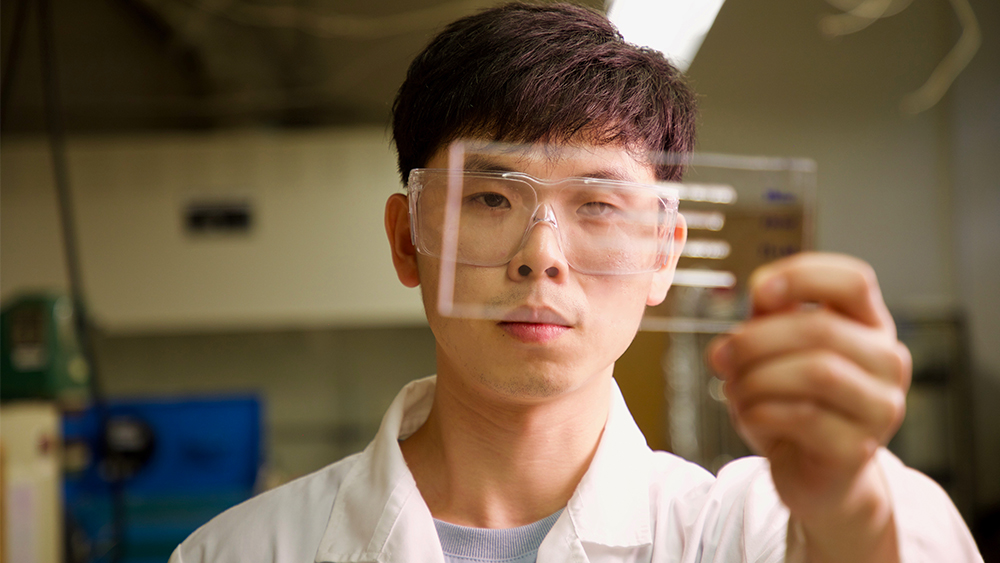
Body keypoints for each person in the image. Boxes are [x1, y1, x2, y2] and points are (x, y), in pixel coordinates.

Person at [170, 3, 982, 562]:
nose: (541, 256)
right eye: (492, 197)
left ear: (665, 252)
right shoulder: (243, 549)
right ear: (406, 236)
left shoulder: (740, 528)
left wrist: (851, 499)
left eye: (597, 203)